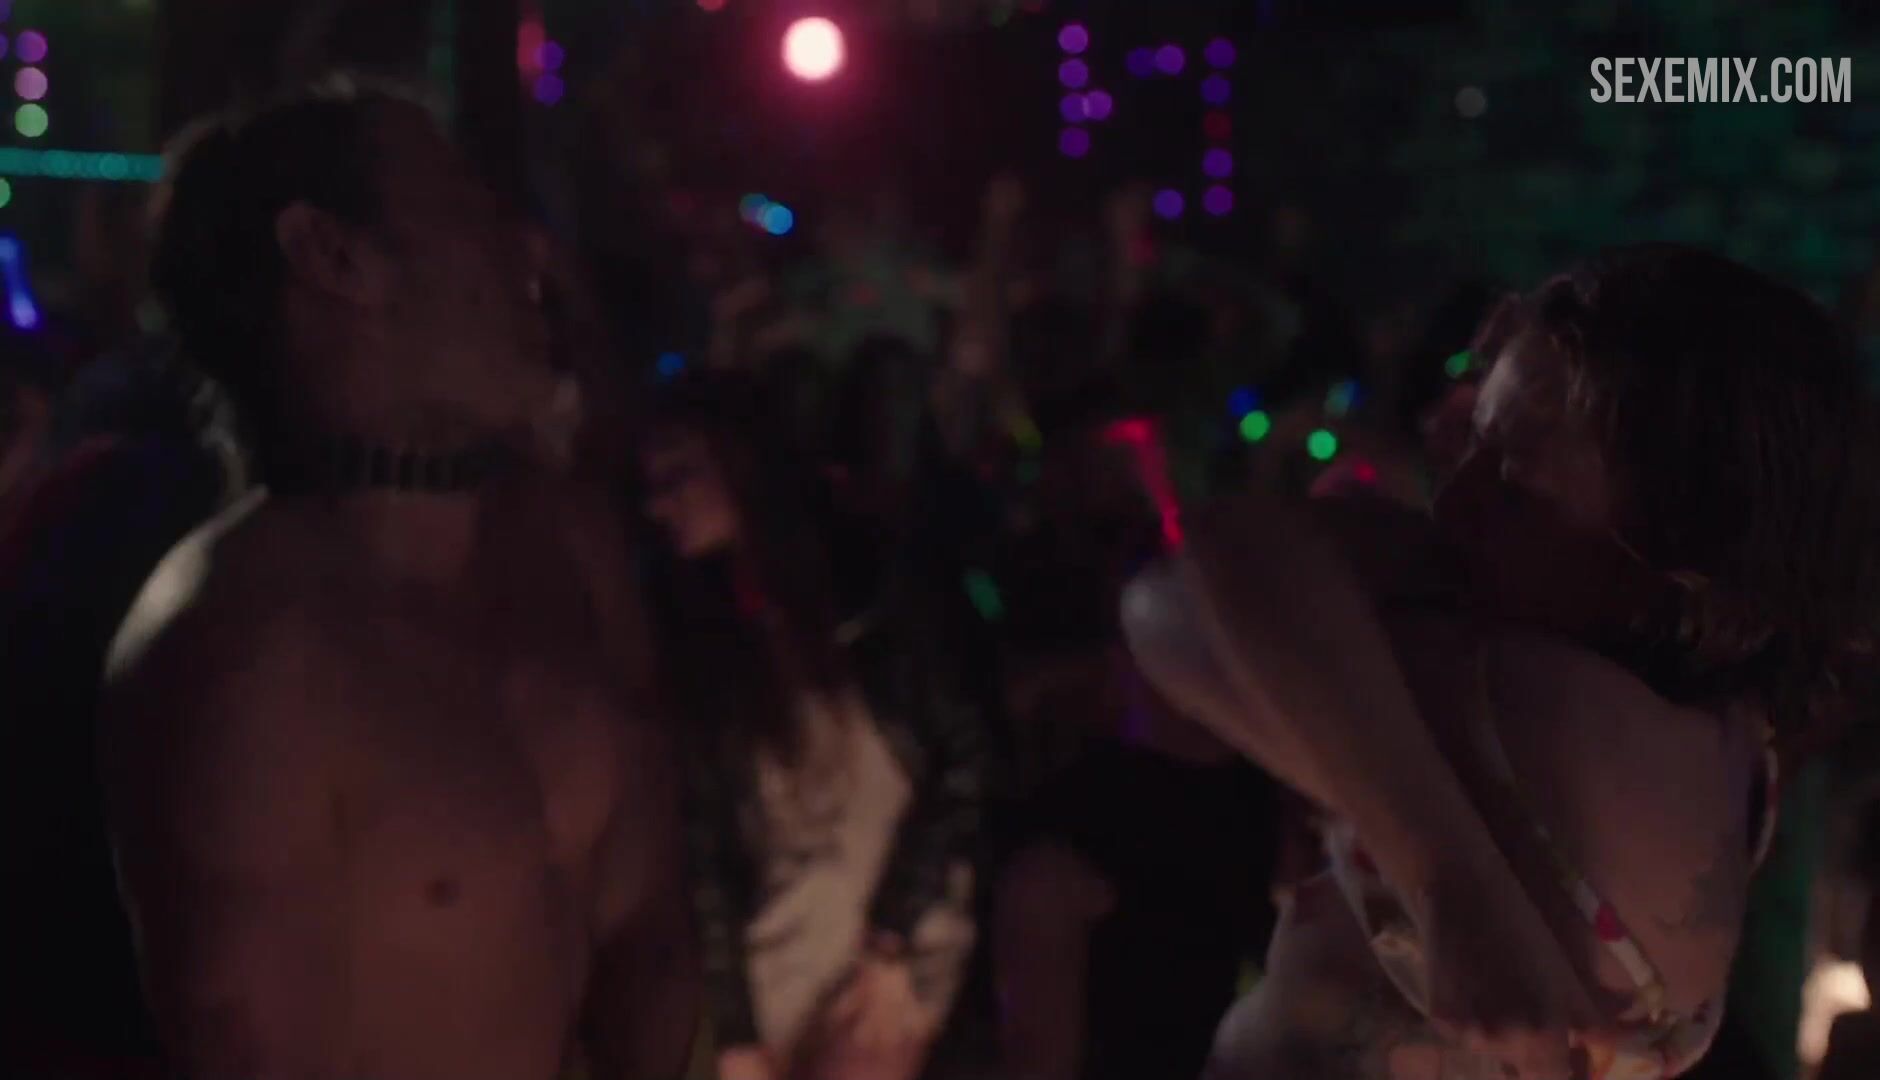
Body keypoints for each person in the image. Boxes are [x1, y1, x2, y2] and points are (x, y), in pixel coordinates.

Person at [1125, 245, 1880, 1079]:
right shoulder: (1734, 749)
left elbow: (1186, 591)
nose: (1452, 502)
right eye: (1471, 447)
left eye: (1515, 488)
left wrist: (1450, 884)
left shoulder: (1521, 709)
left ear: (1679, 558)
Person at [98, 77, 696, 1080]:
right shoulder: (244, 655)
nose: (528, 250)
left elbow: (648, 929)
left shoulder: (567, 545)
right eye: (465, 205)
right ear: (332, 256)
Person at [638, 376, 987, 1080]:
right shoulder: (708, 644)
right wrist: (737, 1030)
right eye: (652, 486)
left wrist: (892, 938)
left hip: (891, 938)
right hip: (783, 950)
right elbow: (710, 846)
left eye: (680, 475)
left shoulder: (876, 600)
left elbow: (965, 765)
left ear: (741, 463)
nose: (659, 506)